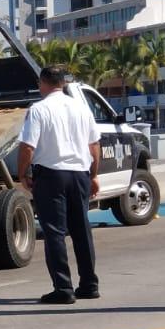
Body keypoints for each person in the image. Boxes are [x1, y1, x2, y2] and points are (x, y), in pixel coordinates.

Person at [17, 66, 101, 305]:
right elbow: (94, 146)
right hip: (80, 174)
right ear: (63, 83)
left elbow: (27, 147)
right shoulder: (81, 108)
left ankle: (63, 287)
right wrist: (94, 175)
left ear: (42, 83)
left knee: (54, 232)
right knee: (81, 230)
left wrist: (23, 173)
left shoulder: (39, 109)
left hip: (52, 175)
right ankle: (89, 284)